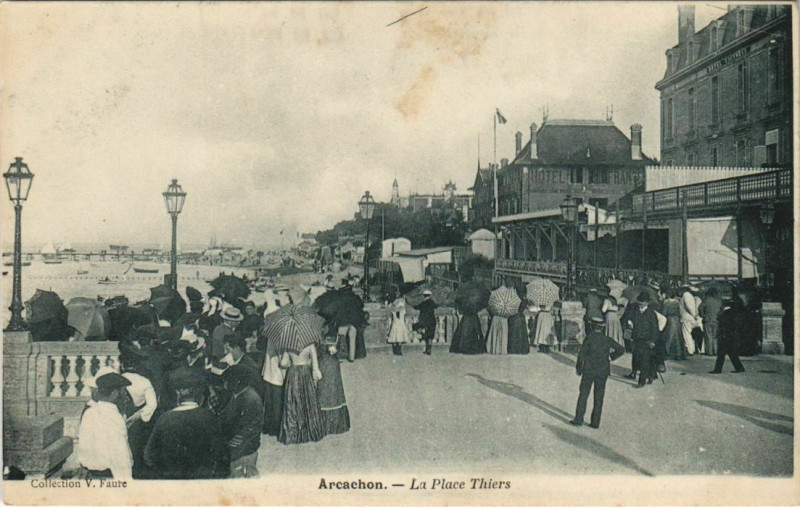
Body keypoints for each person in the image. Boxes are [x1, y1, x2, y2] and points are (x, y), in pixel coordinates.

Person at [144, 368, 229, 479]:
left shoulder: (164, 419)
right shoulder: (209, 418)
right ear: (199, 393)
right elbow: (222, 454)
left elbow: (148, 456)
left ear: (177, 393)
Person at [78, 369, 133, 479]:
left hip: (91, 477)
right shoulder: (113, 417)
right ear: (114, 394)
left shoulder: (89, 412)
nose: (125, 396)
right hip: (109, 477)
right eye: (123, 391)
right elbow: (120, 458)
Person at [570, 316, 625, 428]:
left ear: (591, 326)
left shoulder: (589, 338)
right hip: (602, 371)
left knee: (584, 394)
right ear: (602, 327)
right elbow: (621, 349)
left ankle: (579, 419)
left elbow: (581, 355)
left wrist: (579, 369)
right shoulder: (607, 339)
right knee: (599, 396)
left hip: (589, 371)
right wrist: (610, 357)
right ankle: (595, 423)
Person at [219, 365, 265, 478]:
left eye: (227, 381)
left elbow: (249, 430)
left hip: (244, 450)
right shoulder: (235, 394)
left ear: (237, 382)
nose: (224, 384)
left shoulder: (251, 399)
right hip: (236, 446)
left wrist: (230, 446)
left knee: (244, 477)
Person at [119, 351, 158, 479]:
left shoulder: (116, 380)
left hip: (117, 420)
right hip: (137, 424)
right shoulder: (144, 381)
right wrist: (137, 416)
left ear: (122, 365)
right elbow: (152, 405)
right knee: (136, 453)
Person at [278, 343, 325, 444]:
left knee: (293, 400)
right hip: (305, 373)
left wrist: (286, 360)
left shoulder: (289, 344)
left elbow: (283, 363)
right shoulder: (310, 345)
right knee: (308, 400)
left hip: (293, 372)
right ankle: (310, 430)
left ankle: (293, 432)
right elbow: (315, 367)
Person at [316, 338, 351, 435]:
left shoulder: (338, 335)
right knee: (323, 393)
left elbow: (344, 353)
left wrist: (336, 351)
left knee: (334, 392)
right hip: (322, 366)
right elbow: (315, 352)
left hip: (333, 367)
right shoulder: (317, 335)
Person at [626, 292, 660, 388]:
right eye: (639, 301)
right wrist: (630, 323)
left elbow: (655, 328)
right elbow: (631, 320)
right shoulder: (636, 311)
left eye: (642, 301)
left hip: (647, 340)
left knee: (645, 360)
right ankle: (651, 375)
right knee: (637, 358)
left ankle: (641, 382)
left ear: (647, 303)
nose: (640, 303)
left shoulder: (651, 313)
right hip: (637, 338)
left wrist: (653, 340)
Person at [710, 289, 747, 374]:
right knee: (732, 352)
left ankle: (718, 369)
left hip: (726, 333)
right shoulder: (736, 312)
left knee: (721, 352)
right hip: (732, 333)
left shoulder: (727, 313)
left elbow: (721, 320)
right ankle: (739, 367)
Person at [699, 287, 723, 357]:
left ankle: (709, 352)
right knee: (715, 337)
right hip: (716, 320)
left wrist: (703, 316)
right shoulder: (718, 301)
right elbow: (722, 310)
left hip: (708, 320)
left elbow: (700, 308)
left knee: (708, 336)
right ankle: (715, 351)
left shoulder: (706, 300)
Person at [661, 289, 684, 360]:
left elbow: (664, 313)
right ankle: (679, 354)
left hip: (669, 319)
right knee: (678, 336)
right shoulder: (677, 303)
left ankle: (667, 353)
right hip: (676, 319)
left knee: (669, 336)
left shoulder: (666, 303)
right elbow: (680, 312)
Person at [413, 290, 437, 356]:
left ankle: (427, 349)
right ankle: (429, 349)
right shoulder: (432, 302)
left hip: (425, 321)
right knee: (431, 335)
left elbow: (417, 307)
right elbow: (436, 306)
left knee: (425, 333)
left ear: (424, 296)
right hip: (432, 320)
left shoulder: (423, 303)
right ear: (430, 295)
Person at [679, 285, 699, 356]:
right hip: (690, 317)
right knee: (688, 333)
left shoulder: (685, 295)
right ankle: (691, 349)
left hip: (686, 316)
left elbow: (688, 306)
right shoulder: (691, 296)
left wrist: (693, 314)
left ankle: (689, 350)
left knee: (686, 334)